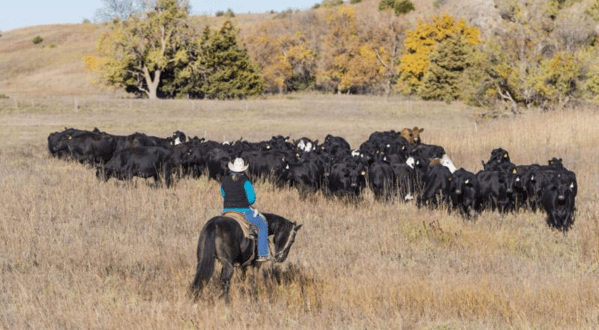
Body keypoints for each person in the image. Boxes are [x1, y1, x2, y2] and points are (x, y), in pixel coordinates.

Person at [221, 157, 271, 262]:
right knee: (262, 224)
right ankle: (263, 254)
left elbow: (223, 194)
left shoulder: (224, 180)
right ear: (243, 170)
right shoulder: (246, 181)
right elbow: (251, 199)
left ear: (232, 169)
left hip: (227, 211)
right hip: (243, 211)